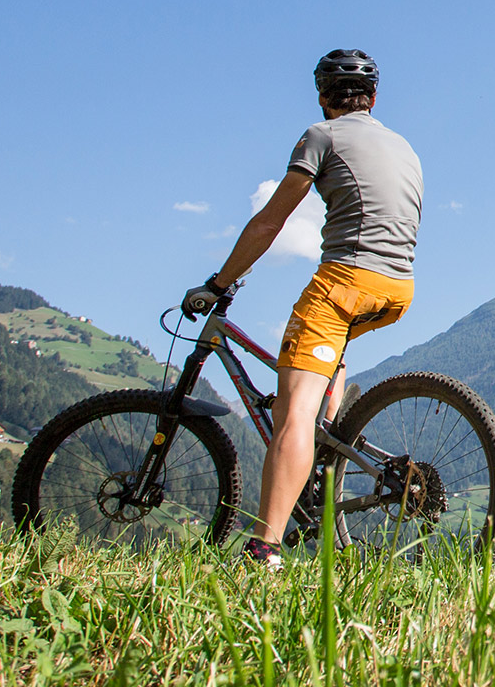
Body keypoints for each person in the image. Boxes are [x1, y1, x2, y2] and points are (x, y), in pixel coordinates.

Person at [181, 49, 424, 567]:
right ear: (373, 99)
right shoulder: (404, 147)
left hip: (344, 282)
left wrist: (220, 282)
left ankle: (263, 549)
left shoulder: (322, 135)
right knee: (324, 365)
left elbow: (270, 221)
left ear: (322, 97)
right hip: (396, 289)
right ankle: (328, 442)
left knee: (292, 416)